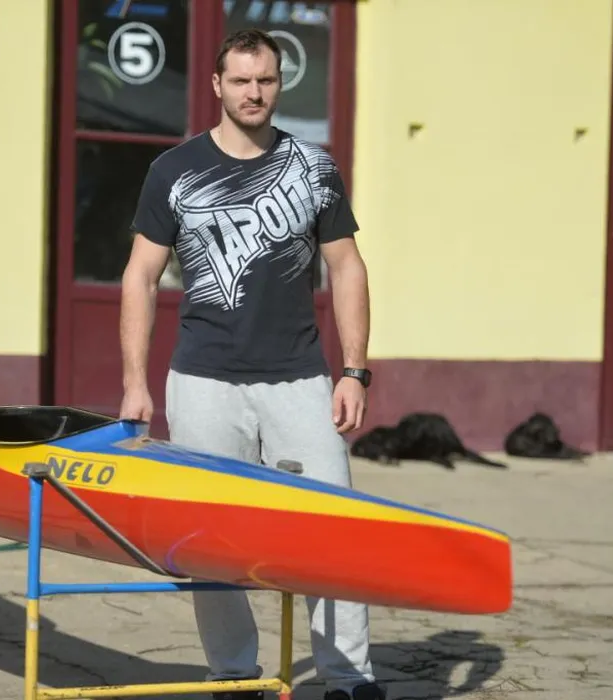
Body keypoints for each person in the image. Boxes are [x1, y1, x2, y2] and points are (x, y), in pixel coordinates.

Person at [118, 27, 384, 700]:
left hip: (300, 379)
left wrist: (354, 371)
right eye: (240, 80)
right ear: (217, 85)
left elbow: (347, 267)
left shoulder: (313, 168)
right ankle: (234, 677)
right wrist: (134, 383)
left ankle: (348, 678)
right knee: (210, 536)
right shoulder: (174, 171)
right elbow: (139, 276)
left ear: (279, 83)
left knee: (334, 526)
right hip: (203, 381)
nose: (253, 92)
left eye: (265, 79)